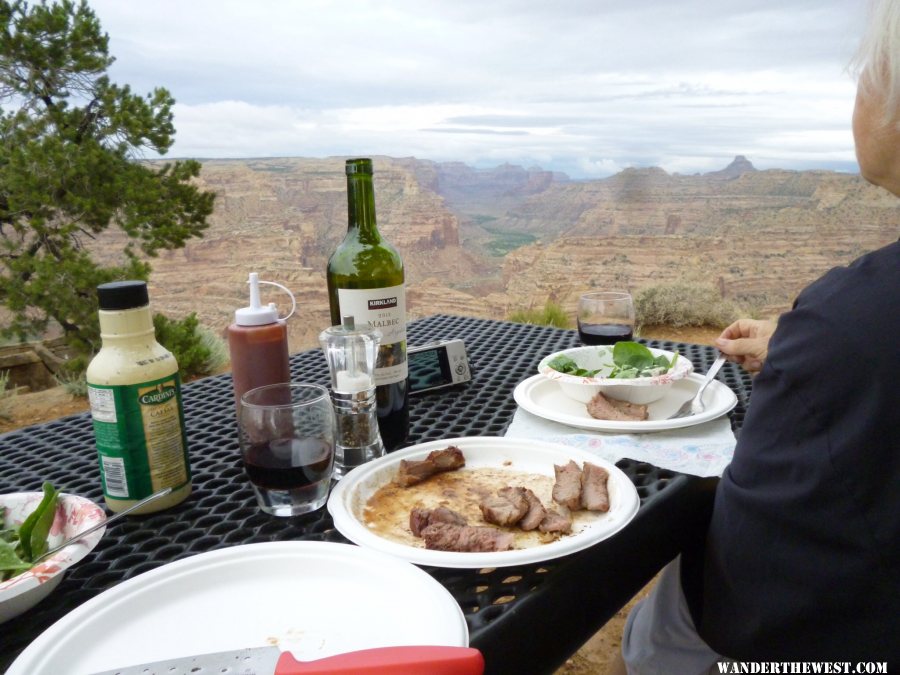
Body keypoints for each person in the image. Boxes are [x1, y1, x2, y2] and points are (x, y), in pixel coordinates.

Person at [612, 0, 900, 671]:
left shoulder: (848, 325)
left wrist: (821, 352)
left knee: (658, 627)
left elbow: (749, 560)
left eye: (867, 70)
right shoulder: (850, 331)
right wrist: (808, 351)